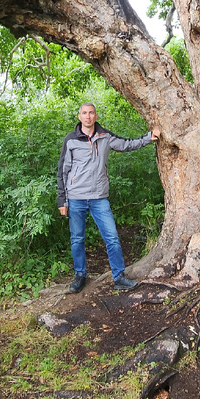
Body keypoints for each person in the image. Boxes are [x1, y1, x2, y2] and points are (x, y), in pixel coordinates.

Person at [57, 102, 160, 292]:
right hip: (76, 197)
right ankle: (80, 276)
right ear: (79, 116)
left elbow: (127, 145)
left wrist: (149, 138)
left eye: (91, 113)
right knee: (77, 239)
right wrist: (62, 200)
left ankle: (119, 276)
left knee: (112, 237)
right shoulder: (70, 140)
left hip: (99, 198)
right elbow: (63, 171)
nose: (88, 116)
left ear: (95, 116)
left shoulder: (105, 136)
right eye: (84, 113)